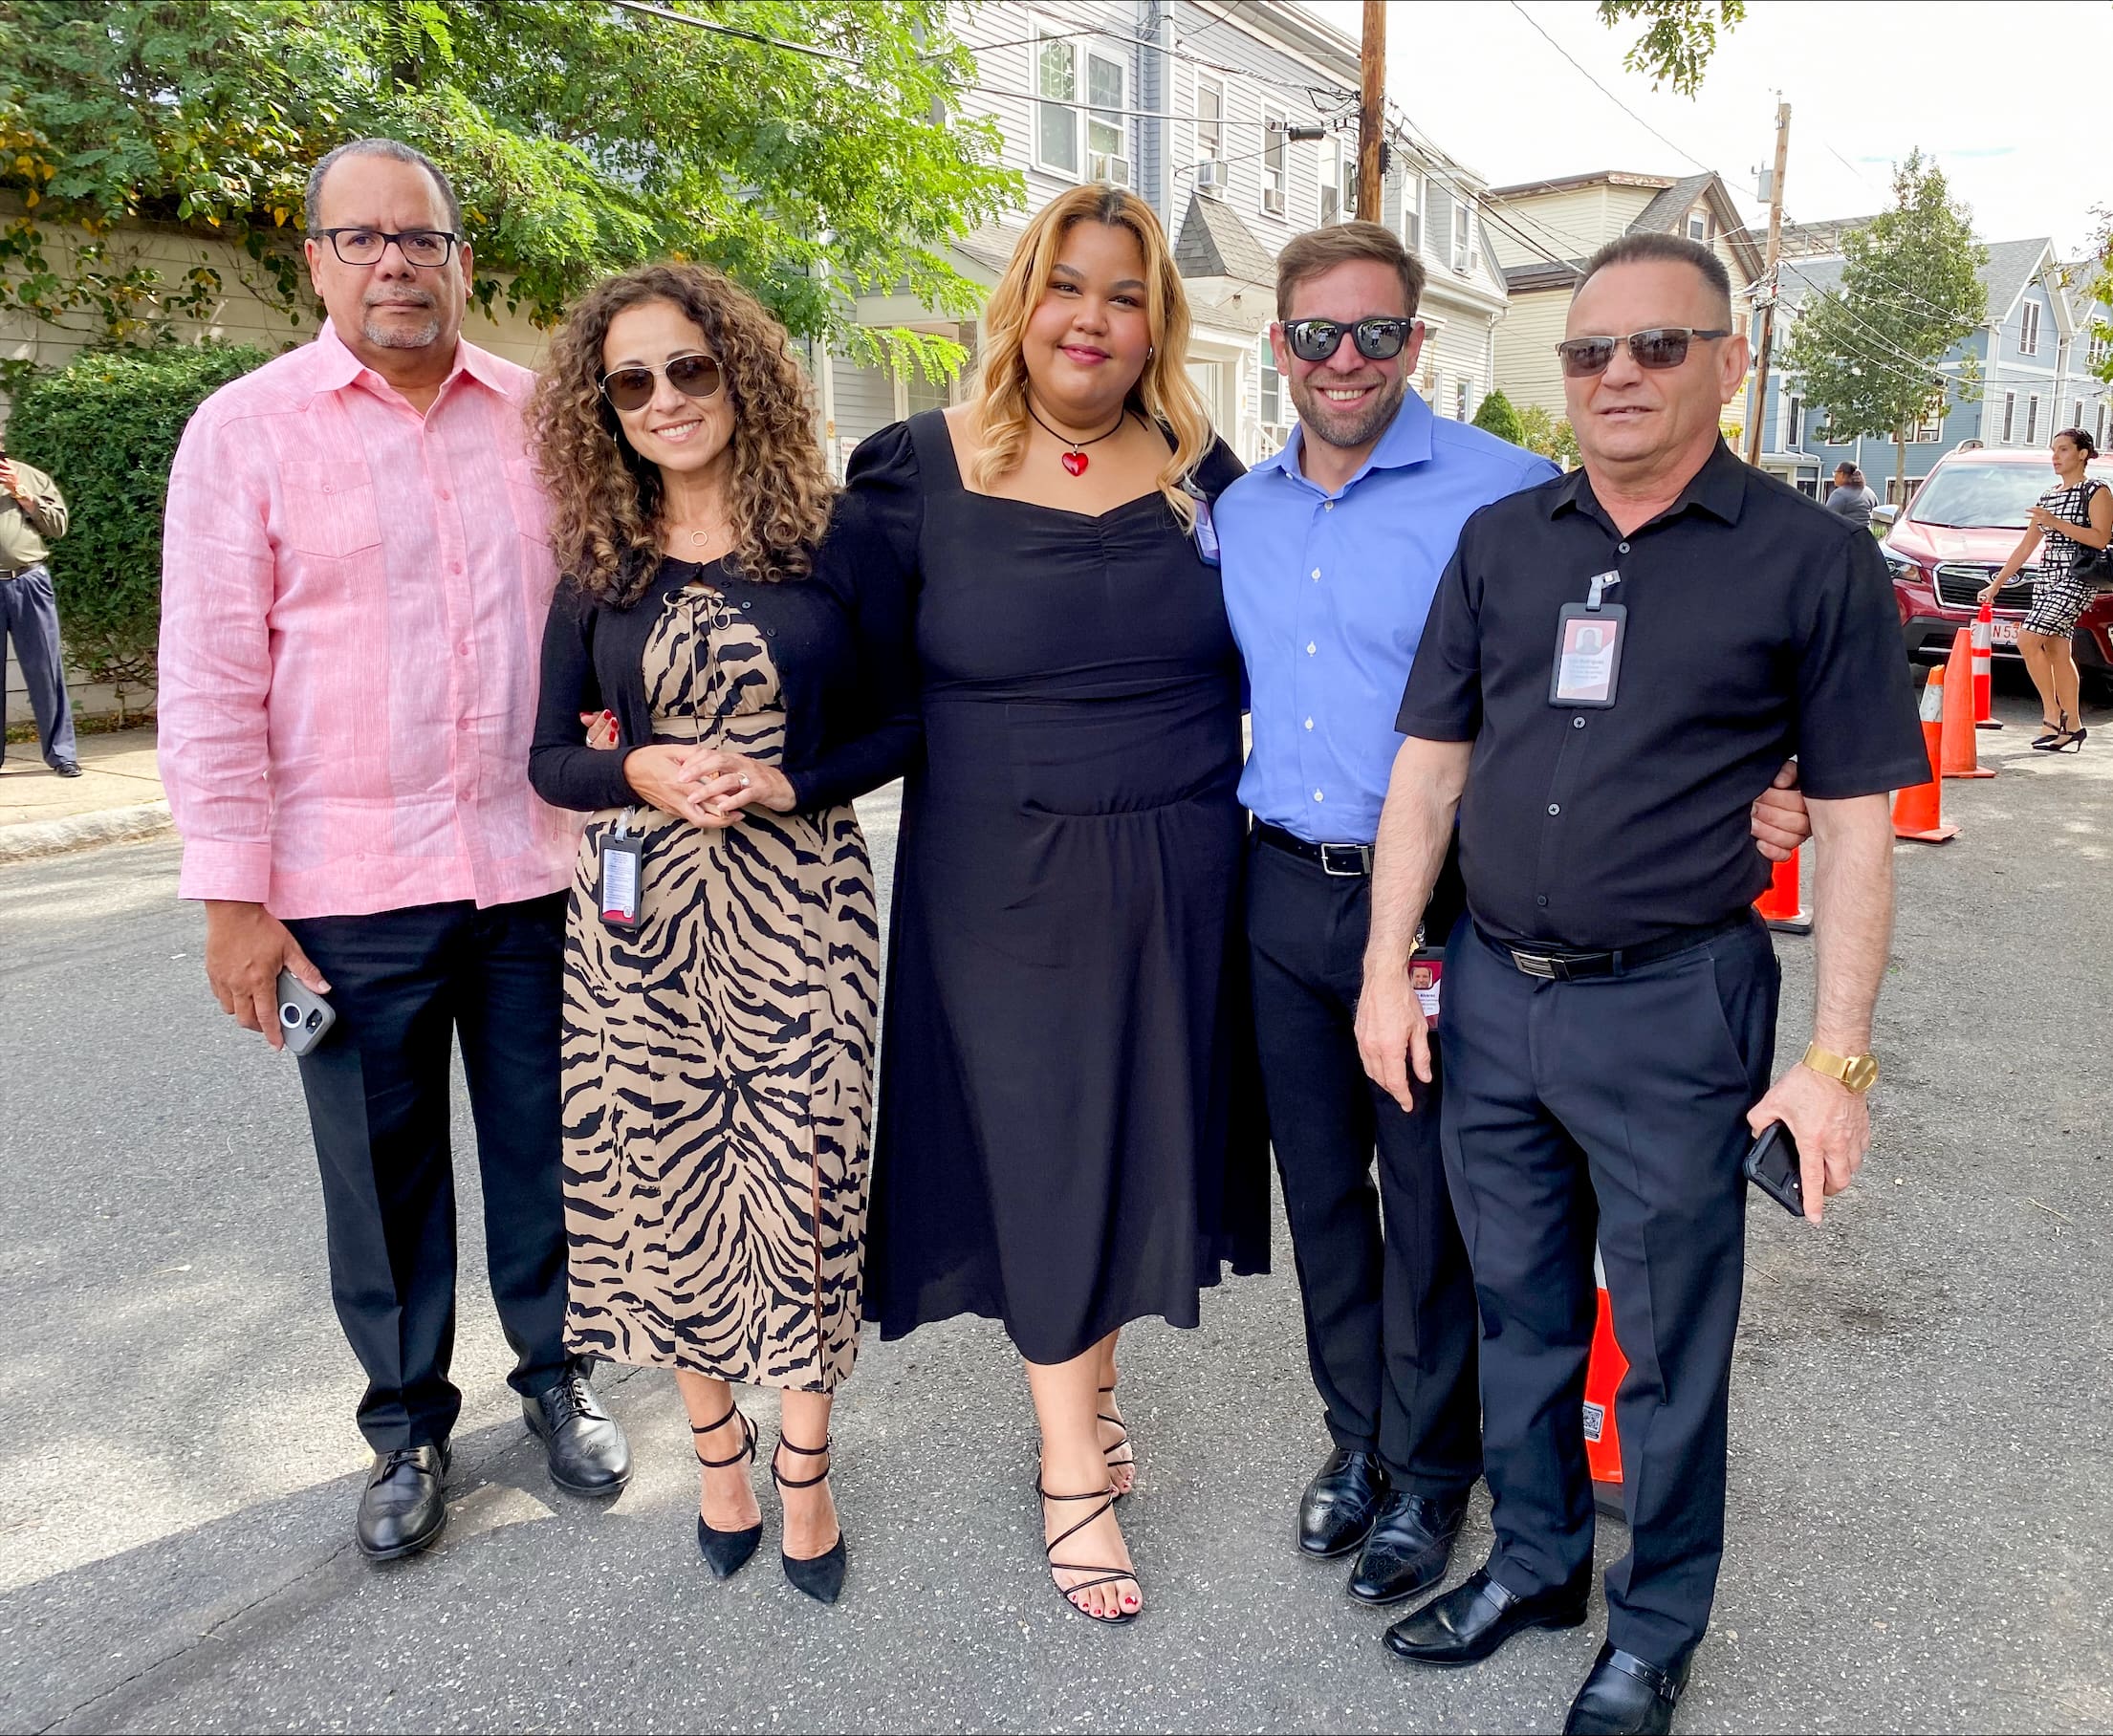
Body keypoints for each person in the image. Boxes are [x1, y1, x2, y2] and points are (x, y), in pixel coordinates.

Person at [1356, 233, 1927, 1736]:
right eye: (1591, 351)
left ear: (1728, 363)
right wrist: (1382, 969)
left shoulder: (1809, 561)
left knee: (1667, 1342)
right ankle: (1538, 1563)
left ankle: (1654, 1620)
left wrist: (1838, 1057)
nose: (1616, 375)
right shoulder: (1504, 542)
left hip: (1675, 1006)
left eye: (1657, 347)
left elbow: (1861, 817)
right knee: (1518, 1309)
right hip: (1489, 992)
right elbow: (1428, 770)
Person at [1215, 221, 1811, 1615]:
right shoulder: (1237, 510)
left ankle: (1434, 1480)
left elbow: (1645, 666)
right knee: (1322, 1202)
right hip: (1274, 887)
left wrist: (1763, 783)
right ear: (1280, 348)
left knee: (1438, 1215)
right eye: (1314, 334)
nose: (1343, 359)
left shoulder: (1511, 498)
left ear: (1417, 341)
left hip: (1442, 911)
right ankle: (1354, 1443)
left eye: (1374, 331)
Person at [158, 138, 629, 1565]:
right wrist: (235, 902)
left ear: (460, 259)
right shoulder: (245, 431)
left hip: (531, 870)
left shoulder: (544, 420)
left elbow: (609, 616)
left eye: (417, 239)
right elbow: (210, 678)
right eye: (358, 240)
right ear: (314, 262)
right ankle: (406, 1424)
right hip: (344, 892)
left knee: (553, 1148)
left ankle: (558, 1380)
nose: (393, 265)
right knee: (380, 1171)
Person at [846, 184, 1269, 1624]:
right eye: (1066, 287)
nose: (1092, 319)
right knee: (1039, 1152)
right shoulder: (913, 472)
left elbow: (1318, 658)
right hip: (999, 881)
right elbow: (832, 670)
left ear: (1157, 321)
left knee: (1132, 1137)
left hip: (1180, 868)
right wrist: (651, 716)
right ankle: (1067, 1465)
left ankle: (1087, 1392)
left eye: (1125, 293)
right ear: (1020, 302)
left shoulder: (1207, 474)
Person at [526, 262, 915, 1604]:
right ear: (605, 407)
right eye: (630, 380)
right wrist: (631, 770)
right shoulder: (600, 566)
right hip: (640, 929)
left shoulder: (839, 536)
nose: (664, 397)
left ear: (737, 373)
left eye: (687, 366)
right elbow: (544, 759)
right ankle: (718, 1458)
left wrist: (790, 779)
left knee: (801, 1196)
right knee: (671, 1197)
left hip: (801, 905)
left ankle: (805, 1470)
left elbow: (907, 721)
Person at [1976, 427, 2110, 751]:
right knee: (2056, 651)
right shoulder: (2048, 496)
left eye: (2063, 450)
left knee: (2027, 638)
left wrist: (2056, 522)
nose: (2055, 457)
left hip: (2077, 576)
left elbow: (2100, 538)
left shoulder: (2096, 491)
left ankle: (2052, 715)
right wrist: (1995, 585)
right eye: (2053, 450)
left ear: (2082, 454)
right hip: (2047, 575)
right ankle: (2073, 726)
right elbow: (2025, 547)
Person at [0, 433, 80, 776]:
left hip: (29, 580)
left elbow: (58, 526)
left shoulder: (29, 475)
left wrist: (25, 496)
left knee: (45, 670)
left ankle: (61, 753)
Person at [1823, 461, 1877, 530]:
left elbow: (1827, 519)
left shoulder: (1839, 494)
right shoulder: (1869, 493)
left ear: (1842, 474)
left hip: (1847, 537)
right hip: (1867, 537)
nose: (1834, 476)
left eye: (1835, 473)